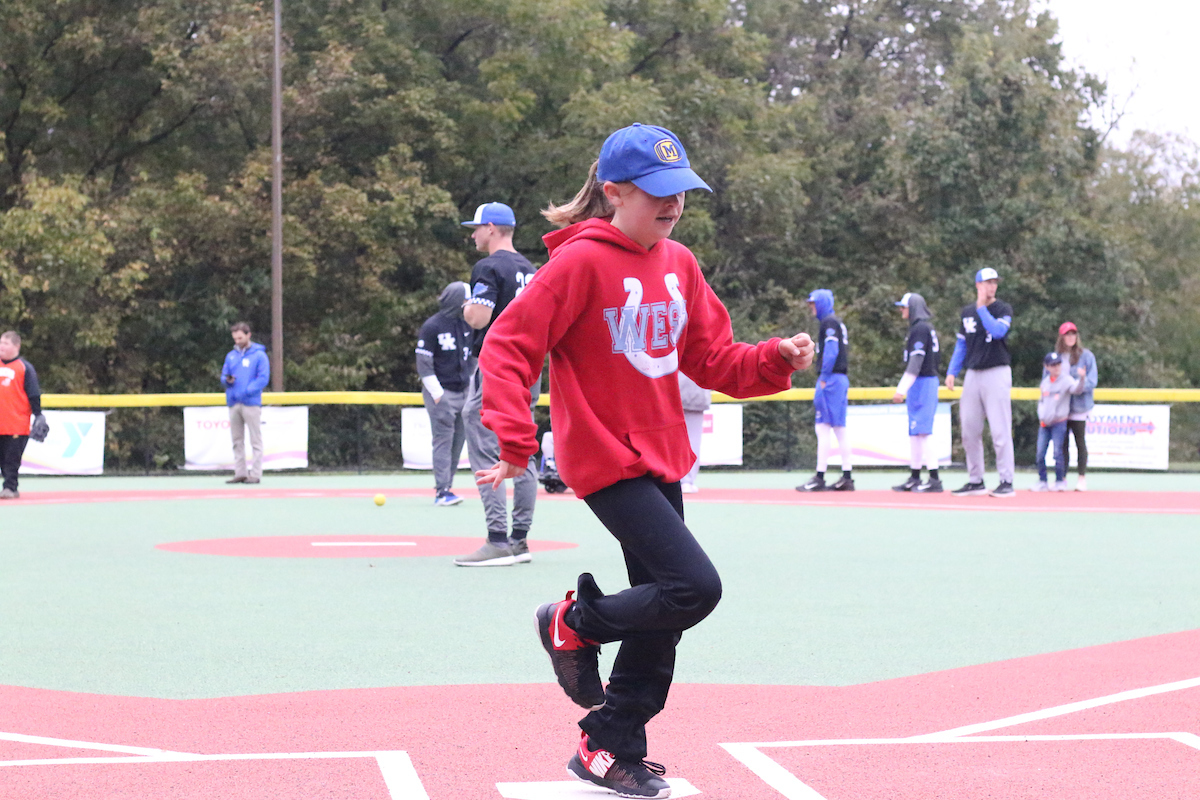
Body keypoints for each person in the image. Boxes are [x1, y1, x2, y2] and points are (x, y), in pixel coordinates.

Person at [474, 122, 815, 799]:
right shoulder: (576, 265)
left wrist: (773, 357)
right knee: (695, 588)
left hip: (661, 456)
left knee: (666, 615)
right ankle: (572, 622)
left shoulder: (678, 263)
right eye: (657, 193)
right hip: (604, 459)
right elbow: (508, 348)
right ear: (613, 192)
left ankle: (610, 745)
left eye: (681, 192)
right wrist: (516, 442)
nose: (673, 205)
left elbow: (713, 358)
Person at [455, 202, 541, 566]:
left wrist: (463, 307)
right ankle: (520, 538)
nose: (473, 234)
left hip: (496, 365)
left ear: (492, 228)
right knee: (522, 446)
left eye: (476, 228)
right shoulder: (530, 268)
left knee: (481, 439)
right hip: (530, 365)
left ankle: (497, 539)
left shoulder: (488, 266)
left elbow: (478, 317)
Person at [945, 268, 1015, 497]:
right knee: (968, 429)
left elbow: (996, 332)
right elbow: (962, 345)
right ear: (977, 285)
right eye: (987, 282)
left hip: (997, 371)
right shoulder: (967, 312)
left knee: (999, 430)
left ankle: (1006, 481)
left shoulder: (1002, 308)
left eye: (994, 282)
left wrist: (982, 308)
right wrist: (952, 371)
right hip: (973, 375)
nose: (991, 286)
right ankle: (976, 480)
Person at [416, 281, 473, 506]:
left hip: (464, 392)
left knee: (458, 442)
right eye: (467, 299)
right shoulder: (432, 326)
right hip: (441, 392)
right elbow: (423, 363)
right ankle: (442, 491)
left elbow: (475, 357)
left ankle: (447, 486)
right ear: (457, 301)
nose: (470, 304)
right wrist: (438, 394)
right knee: (443, 440)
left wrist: (473, 387)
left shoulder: (469, 325)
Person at [796, 289, 853, 492]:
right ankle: (846, 475)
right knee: (837, 428)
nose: (811, 307)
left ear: (821, 303)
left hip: (831, 378)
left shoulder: (829, 322)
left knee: (825, 427)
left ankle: (821, 476)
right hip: (838, 378)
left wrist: (824, 376)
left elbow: (831, 351)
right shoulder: (833, 322)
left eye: (813, 303)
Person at [890, 293, 943, 492]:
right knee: (915, 433)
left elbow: (916, 362)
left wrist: (901, 389)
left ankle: (934, 478)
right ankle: (915, 476)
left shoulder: (920, 328)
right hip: (919, 384)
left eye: (904, 307)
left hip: (924, 383)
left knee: (924, 431)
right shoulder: (919, 327)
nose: (901, 310)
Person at [0, 331, 49, 499]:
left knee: (11, 459)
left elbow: (33, 394)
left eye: (6, 344)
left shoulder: (24, 367)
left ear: (16, 347)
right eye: (1, 343)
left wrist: (39, 415)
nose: (1, 347)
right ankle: (10, 487)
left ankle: (10, 487)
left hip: (17, 423)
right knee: (1, 459)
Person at [221, 322, 270, 484]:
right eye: (235, 338)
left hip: (251, 403)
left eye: (240, 337)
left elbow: (263, 378)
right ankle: (240, 473)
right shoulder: (231, 355)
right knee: (237, 440)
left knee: (255, 440)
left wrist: (248, 390)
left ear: (248, 335)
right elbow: (224, 375)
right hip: (234, 402)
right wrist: (227, 381)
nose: (237, 341)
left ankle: (255, 474)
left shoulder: (259, 355)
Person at [1055, 321, 1098, 491]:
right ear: (1062, 337)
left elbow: (1092, 380)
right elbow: (1047, 379)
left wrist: (1076, 386)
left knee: (1080, 441)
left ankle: (1081, 478)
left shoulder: (1086, 356)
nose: (1070, 337)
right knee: (1062, 444)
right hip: (1061, 407)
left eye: (1073, 334)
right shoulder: (1056, 357)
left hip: (1080, 406)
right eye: (1067, 334)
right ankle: (1062, 478)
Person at [1033, 351, 1083, 491]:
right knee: (1040, 453)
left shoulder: (1066, 380)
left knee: (1057, 453)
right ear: (1047, 367)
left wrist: (1082, 379)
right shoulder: (1045, 382)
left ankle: (1060, 481)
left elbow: (1076, 389)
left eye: (1058, 364)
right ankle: (1042, 481)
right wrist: (1041, 416)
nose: (1056, 367)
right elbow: (1041, 402)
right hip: (1044, 424)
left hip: (1059, 423)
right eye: (1053, 365)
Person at [677, 372, 710, 493]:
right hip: (696, 393)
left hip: (672, 394)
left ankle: (680, 480)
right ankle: (686, 481)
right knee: (693, 439)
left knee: (674, 440)